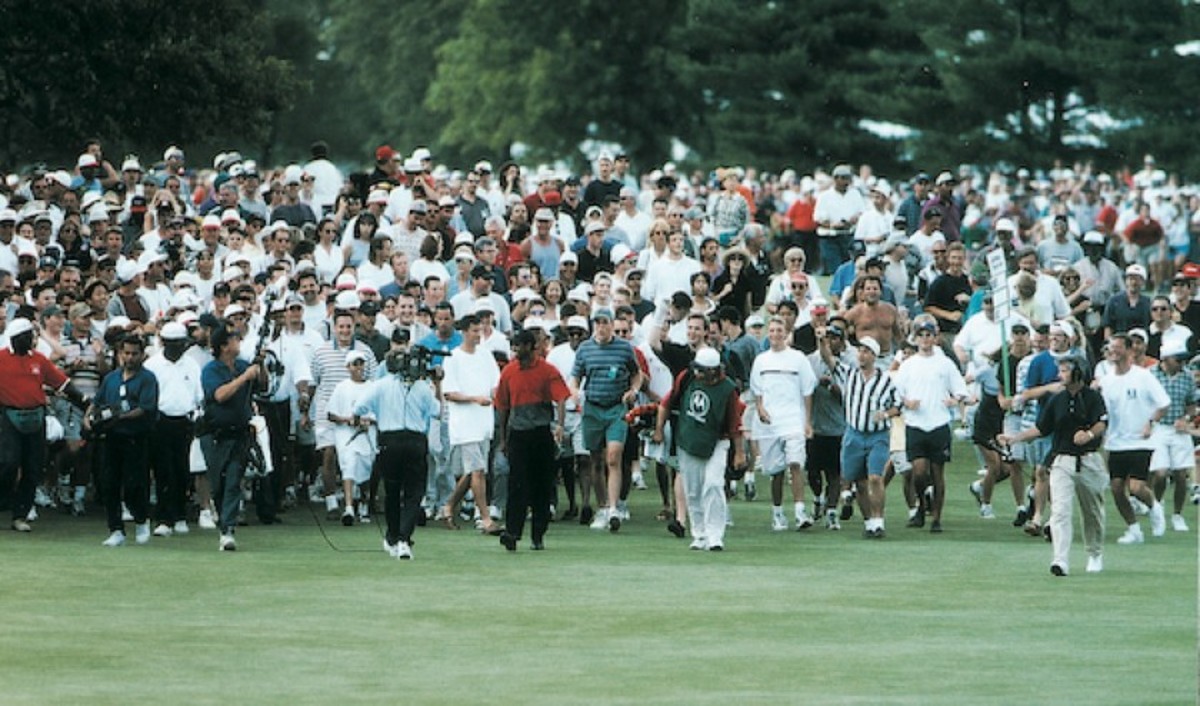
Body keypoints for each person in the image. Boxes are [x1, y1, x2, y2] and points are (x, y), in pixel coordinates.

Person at [1000, 356, 1107, 576]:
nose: (1060, 375)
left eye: (1065, 371)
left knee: (1092, 512)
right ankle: (1060, 559)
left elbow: (1101, 423)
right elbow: (1041, 428)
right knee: (1059, 510)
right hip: (1062, 460)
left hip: (1089, 460)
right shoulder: (1056, 400)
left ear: (1078, 372)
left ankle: (1094, 553)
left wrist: (1087, 435)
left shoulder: (1093, 397)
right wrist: (1015, 438)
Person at [0, 318, 88, 532]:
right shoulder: (1, 359)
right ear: (18, 338)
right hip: (9, 417)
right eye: (29, 335)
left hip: (36, 418)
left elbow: (62, 383)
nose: (33, 339)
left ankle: (21, 515)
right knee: (9, 463)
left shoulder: (39, 359)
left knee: (33, 468)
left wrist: (84, 401)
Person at [652, 347, 745, 551]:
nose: (698, 373)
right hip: (688, 440)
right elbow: (666, 404)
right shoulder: (686, 378)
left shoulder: (728, 389)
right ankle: (699, 534)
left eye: (702, 370)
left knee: (713, 485)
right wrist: (659, 429)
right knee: (693, 490)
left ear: (714, 370)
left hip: (717, 441)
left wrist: (739, 453)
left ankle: (715, 535)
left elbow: (735, 424)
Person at [356, 348, 440, 559]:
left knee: (392, 492)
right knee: (413, 493)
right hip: (414, 440)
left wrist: (372, 416)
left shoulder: (381, 386)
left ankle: (394, 537)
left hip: (389, 440)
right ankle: (403, 538)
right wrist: (437, 384)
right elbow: (438, 411)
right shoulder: (421, 387)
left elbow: (358, 407)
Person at [893, 318, 971, 532]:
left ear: (934, 338)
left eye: (929, 335)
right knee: (918, 471)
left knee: (937, 472)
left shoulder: (944, 363)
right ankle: (921, 505)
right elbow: (896, 392)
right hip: (916, 423)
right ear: (916, 338)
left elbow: (960, 389)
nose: (925, 339)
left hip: (938, 423)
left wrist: (954, 400)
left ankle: (936, 517)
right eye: (921, 335)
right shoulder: (908, 365)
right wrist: (906, 402)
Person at [569, 307, 643, 532]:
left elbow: (636, 373)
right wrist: (574, 391)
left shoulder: (623, 349)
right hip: (593, 407)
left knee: (613, 456)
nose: (601, 327)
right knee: (596, 460)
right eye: (597, 323)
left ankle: (613, 508)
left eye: (605, 322)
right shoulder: (585, 349)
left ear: (612, 324)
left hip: (616, 408)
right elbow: (576, 375)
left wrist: (634, 390)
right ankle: (602, 506)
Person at [495, 329, 570, 551]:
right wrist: (504, 439)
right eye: (514, 346)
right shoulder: (509, 372)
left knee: (541, 486)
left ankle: (538, 534)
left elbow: (562, 398)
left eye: (519, 346)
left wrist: (559, 425)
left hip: (540, 433)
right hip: (518, 434)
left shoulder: (547, 371)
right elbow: (502, 407)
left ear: (530, 346)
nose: (516, 350)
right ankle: (512, 533)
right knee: (516, 485)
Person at [1096, 334, 1170, 545]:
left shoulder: (1143, 376)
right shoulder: (1106, 381)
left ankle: (1155, 507)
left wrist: (1150, 422)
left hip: (1140, 440)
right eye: (1111, 348)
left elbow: (1163, 403)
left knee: (1136, 487)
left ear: (1129, 351)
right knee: (1117, 488)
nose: (1114, 352)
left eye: (1118, 348)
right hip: (1116, 442)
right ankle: (1133, 529)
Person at [87, 333, 159, 547]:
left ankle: (140, 520)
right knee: (109, 483)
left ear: (142, 355)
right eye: (126, 353)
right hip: (112, 438)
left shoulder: (147, 379)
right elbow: (97, 401)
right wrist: (89, 418)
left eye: (134, 354)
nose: (129, 358)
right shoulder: (111, 378)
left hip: (136, 437)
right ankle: (116, 528)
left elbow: (146, 408)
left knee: (135, 483)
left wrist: (119, 416)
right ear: (119, 354)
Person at [200, 324, 266, 551]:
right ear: (223, 346)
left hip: (239, 433)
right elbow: (219, 395)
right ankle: (222, 519)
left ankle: (228, 529)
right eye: (234, 339)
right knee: (217, 483)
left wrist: (260, 366)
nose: (239, 342)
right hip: (216, 434)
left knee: (233, 482)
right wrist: (244, 378)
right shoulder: (211, 370)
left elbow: (263, 386)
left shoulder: (243, 365)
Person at [750, 316, 817, 531]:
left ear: (786, 333)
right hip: (770, 424)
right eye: (772, 331)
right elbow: (757, 391)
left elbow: (807, 391)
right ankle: (777, 513)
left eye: (779, 330)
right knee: (775, 471)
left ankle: (800, 512)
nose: (775, 335)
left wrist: (807, 422)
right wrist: (760, 409)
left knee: (796, 464)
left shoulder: (798, 359)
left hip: (793, 421)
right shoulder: (761, 360)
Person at [830, 336, 900, 538]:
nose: (862, 355)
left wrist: (885, 414)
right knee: (858, 480)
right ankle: (869, 521)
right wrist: (821, 341)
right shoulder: (849, 375)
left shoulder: (885, 381)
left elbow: (897, 405)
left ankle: (879, 521)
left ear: (874, 356)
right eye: (860, 350)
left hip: (877, 434)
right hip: (854, 433)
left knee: (876, 477)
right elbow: (830, 361)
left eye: (866, 351)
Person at [439, 314, 503, 534]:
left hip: (484, 422)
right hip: (464, 424)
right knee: (477, 471)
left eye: (480, 330)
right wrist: (475, 399)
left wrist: (495, 396)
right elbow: (449, 393)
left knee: (474, 471)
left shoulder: (486, 356)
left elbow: (496, 384)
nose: (479, 334)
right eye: (475, 330)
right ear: (464, 332)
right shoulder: (453, 357)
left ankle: (447, 507)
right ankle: (485, 519)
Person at [143, 322, 204, 537]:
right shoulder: (152, 365)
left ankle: (180, 516)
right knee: (163, 471)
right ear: (164, 343)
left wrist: (197, 417)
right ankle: (164, 518)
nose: (179, 348)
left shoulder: (192, 365)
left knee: (183, 471)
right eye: (174, 344)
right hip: (160, 422)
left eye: (181, 344)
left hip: (185, 422)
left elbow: (198, 396)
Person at [1149, 340, 1198, 532]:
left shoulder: (1187, 377)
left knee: (1180, 474)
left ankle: (1177, 515)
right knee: (1160, 473)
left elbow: (1191, 405)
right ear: (1166, 359)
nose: (1182, 364)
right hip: (1158, 428)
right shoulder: (1151, 375)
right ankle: (1157, 508)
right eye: (1178, 360)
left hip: (1179, 429)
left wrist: (1186, 418)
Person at [326, 350, 377, 525]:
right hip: (346, 434)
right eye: (355, 364)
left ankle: (363, 503)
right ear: (348, 367)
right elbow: (331, 414)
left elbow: (379, 413)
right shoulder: (341, 387)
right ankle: (348, 508)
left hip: (367, 434)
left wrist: (368, 421)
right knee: (349, 465)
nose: (359, 367)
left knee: (366, 468)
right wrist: (348, 420)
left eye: (361, 363)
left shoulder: (372, 387)